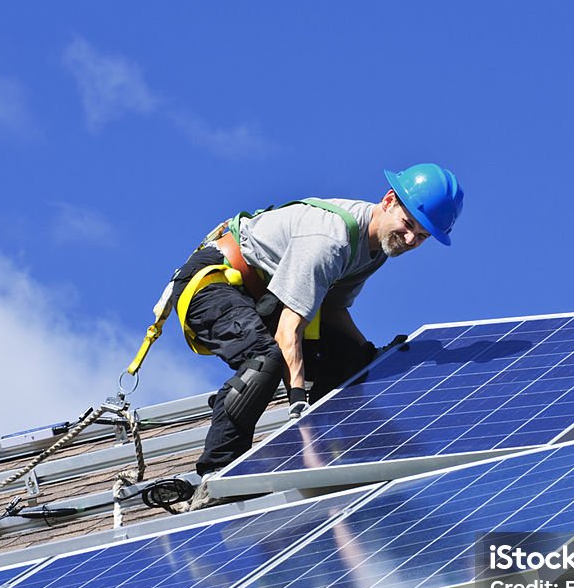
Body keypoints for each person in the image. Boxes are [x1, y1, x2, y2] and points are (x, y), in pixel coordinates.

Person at [169, 163, 464, 508]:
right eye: (408, 224)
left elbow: (334, 311)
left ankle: (343, 454)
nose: (411, 239)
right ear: (388, 201)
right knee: (265, 360)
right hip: (212, 283)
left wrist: (368, 353)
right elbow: (287, 330)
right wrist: (297, 402)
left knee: (351, 363)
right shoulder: (332, 239)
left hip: (262, 298)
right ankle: (217, 476)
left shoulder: (375, 250)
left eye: (423, 236)